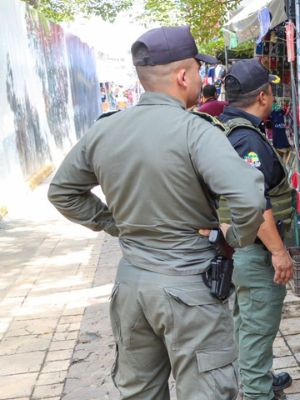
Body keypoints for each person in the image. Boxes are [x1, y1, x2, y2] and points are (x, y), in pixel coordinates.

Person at [47, 25, 266, 399]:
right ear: (183, 76)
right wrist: (236, 239)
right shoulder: (195, 131)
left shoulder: (105, 130)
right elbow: (248, 196)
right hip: (189, 287)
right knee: (206, 392)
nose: (200, 78)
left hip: (131, 285)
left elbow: (63, 192)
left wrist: (115, 224)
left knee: (140, 392)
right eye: (198, 70)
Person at [218, 59, 295, 400]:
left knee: (245, 321)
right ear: (263, 96)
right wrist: (279, 252)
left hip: (240, 247)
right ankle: (256, 391)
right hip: (255, 251)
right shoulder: (245, 138)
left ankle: (256, 378)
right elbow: (254, 203)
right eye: (273, 90)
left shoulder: (224, 127)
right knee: (257, 328)